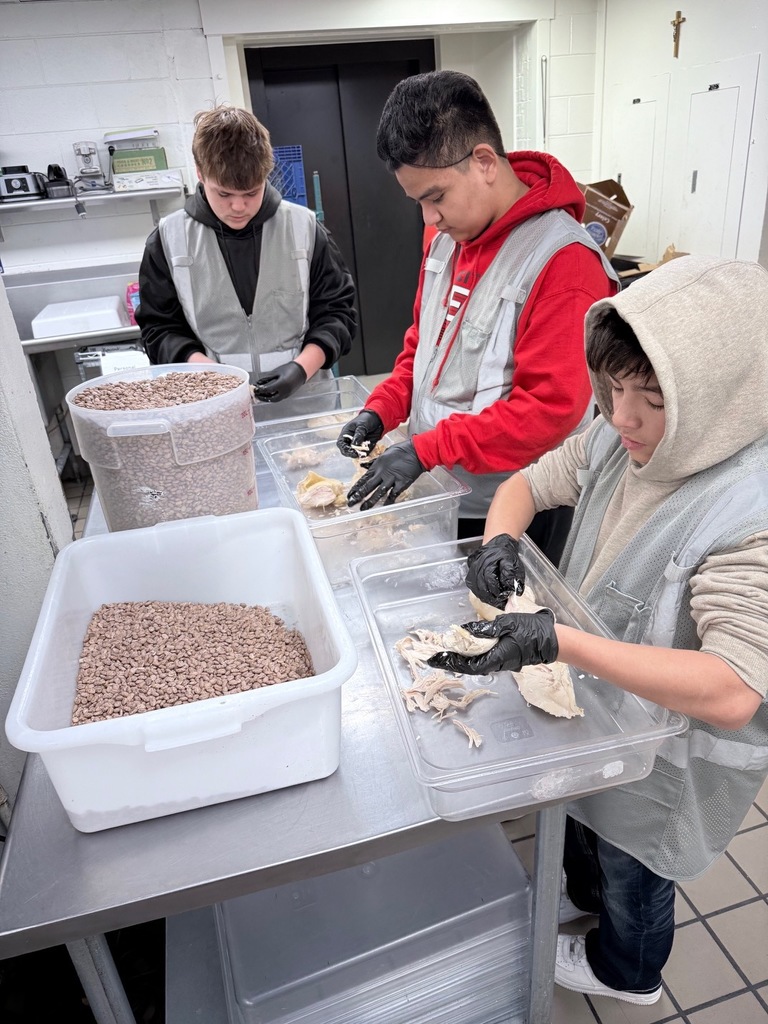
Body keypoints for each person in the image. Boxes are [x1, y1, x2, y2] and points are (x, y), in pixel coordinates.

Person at [427, 255, 768, 1004]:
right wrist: (500, 539)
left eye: (653, 399)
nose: (622, 417)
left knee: (633, 865)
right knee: (592, 829)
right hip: (603, 714)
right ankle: (586, 893)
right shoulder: (620, 439)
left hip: (668, 752)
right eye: (612, 390)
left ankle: (628, 970)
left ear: (722, 396)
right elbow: (530, 482)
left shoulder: (750, 510)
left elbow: (733, 690)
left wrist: (560, 642)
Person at [336, 70, 618, 566]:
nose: (429, 218)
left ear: (484, 162)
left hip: (515, 513)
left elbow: (549, 411)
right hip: (443, 490)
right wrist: (380, 410)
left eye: (436, 197)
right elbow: (424, 351)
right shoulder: (447, 239)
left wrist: (427, 449)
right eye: (418, 202)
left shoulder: (566, 263)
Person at [136, 105, 357, 402]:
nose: (238, 207)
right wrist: (210, 377)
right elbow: (159, 329)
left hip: (305, 401)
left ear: (266, 174)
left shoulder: (304, 229)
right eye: (224, 193)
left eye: (252, 192)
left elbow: (338, 314)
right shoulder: (168, 240)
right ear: (200, 173)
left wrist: (301, 369)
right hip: (214, 406)